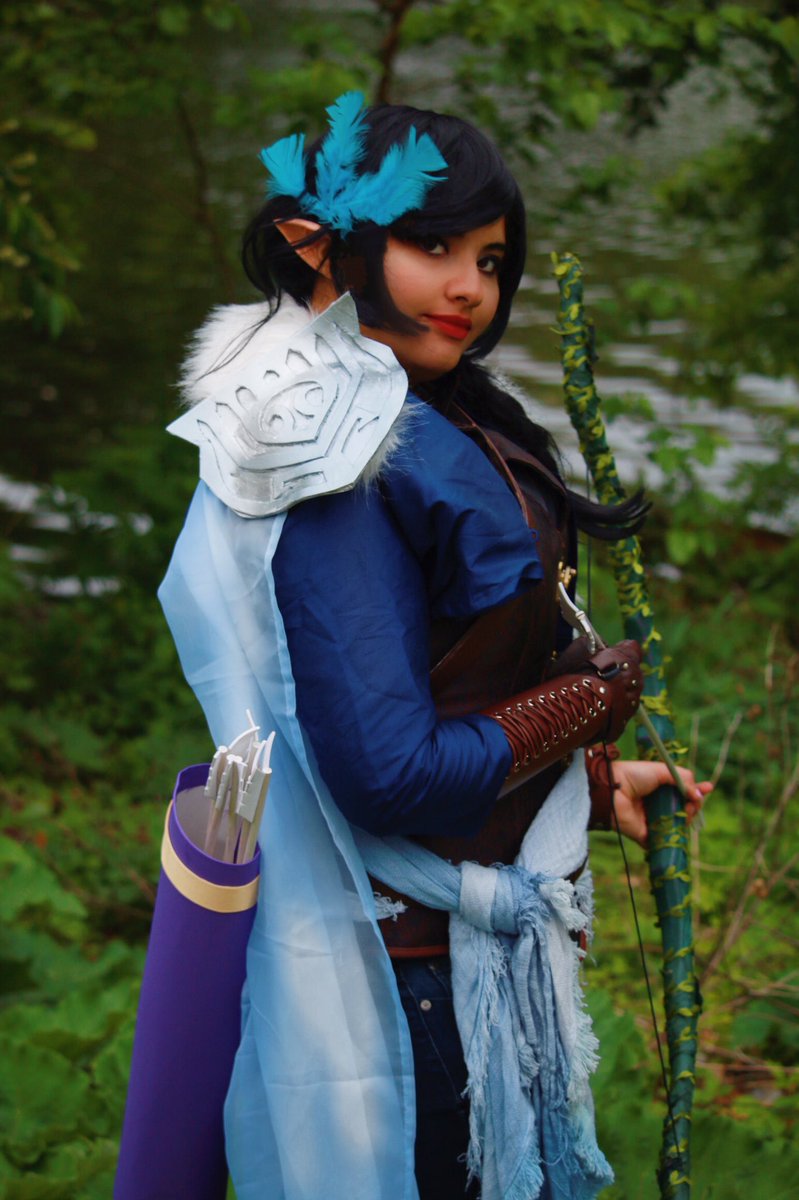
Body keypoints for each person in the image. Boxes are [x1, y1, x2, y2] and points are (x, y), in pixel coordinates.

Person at [159, 94, 710, 1200]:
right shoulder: (333, 460)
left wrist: (588, 781)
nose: (470, 287)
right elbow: (385, 773)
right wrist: (581, 704)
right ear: (319, 249)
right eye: (432, 245)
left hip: (450, 962)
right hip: (409, 986)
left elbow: (440, 687)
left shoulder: (423, 411)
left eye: (491, 260)